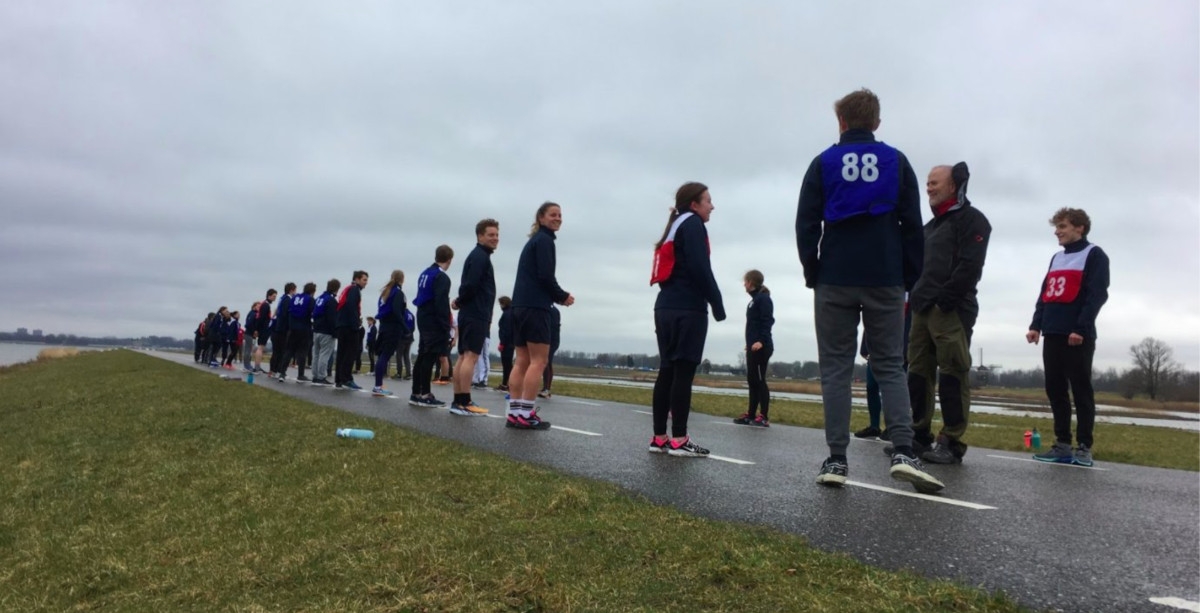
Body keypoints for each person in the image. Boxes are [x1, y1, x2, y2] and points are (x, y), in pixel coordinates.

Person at [795, 88, 943, 493]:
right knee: (891, 365)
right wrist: (908, 276)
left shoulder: (823, 162)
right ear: (877, 122)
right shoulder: (896, 161)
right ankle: (902, 450)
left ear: (840, 122)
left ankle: (837, 458)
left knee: (837, 369)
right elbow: (913, 225)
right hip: (885, 276)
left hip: (835, 276)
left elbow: (806, 223)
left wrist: (814, 272)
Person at [906, 163, 991, 465]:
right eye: (927, 183)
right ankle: (918, 435)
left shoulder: (973, 221)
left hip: (951, 309)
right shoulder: (929, 228)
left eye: (934, 182)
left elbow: (970, 267)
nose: (928, 187)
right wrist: (914, 298)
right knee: (917, 372)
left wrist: (944, 301)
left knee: (953, 372)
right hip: (921, 309)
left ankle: (952, 441)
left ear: (953, 186)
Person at [1028, 208, 1110, 467]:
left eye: (1062, 226)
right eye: (1056, 227)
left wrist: (1081, 328)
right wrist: (1036, 325)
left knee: (1081, 390)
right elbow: (1045, 294)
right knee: (1055, 389)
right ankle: (1062, 444)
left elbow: (1096, 295)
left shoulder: (1094, 255)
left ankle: (1084, 447)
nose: (1057, 231)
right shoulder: (1057, 258)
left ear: (1079, 228)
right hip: (1052, 332)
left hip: (1076, 335)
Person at [648, 183, 725, 456]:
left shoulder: (674, 225)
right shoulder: (693, 225)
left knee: (666, 371)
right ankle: (679, 439)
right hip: (688, 308)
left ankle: (659, 438)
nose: (712, 206)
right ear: (694, 204)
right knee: (683, 373)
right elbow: (700, 266)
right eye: (708, 200)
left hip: (665, 306)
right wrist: (717, 303)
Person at [507, 202, 574, 429]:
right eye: (553, 215)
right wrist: (562, 296)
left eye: (560, 215)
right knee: (539, 361)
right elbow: (545, 276)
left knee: (522, 361)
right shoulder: (544, 241)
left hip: (519, 306)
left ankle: (514, 413)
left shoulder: (533, 241)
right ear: (541, 217)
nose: (558, 218)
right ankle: (525, 414)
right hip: (536, 307)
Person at [451, 219, 499, 416]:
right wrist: (461, 301)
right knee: (470, 357)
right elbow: (471, 285)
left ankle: (459, 401)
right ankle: (464, 401)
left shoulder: (479, 256)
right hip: (475, 313)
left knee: (463, 357)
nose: (495, 239)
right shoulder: (480, 257)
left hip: (470, 313)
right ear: (480, 236)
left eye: (496, 235)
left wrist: (460, 302)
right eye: (491, 235)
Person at [854, 303, 911, 440]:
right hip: (876, 347)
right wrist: (864, 347)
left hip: (898, 351)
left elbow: (910, 325)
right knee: (871, 386)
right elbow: (870, 321)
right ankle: (874, 426)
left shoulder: (909, 299)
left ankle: (892, 428)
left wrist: (906, 350)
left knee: (891, 389)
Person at [410, 246, 454, 407]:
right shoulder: (441, 277)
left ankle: (416, 392)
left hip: (422, 316)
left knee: (422, 354)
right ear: (449, 259)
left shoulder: (425, 273)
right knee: (429, 356)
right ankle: (425, 393)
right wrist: (446, 325)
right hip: (434, 319)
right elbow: (441, 303)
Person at [733, 270, 773, 427]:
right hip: (753, 346)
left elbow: (767, 321)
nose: (744, 284)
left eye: (745, 281)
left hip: (761, 347)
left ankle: (763, 416)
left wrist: (761, 341)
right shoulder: (755, 300)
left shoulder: (763, 299)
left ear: (751, 282)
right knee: (752, 380)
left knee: (760, 380)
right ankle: (750, 414)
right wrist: (750, 342)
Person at [372, 270, 408, 397]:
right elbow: (397, 311)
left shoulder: (385, 292)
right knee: (385, 356)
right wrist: (405, 327)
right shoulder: (398, 293)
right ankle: (378, 386)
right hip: (393, 328)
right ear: (402, 279)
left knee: (382, 356)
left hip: (383, 326)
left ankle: (378, 384)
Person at [335, 271, 368, 390]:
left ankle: (339, 379)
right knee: (351, 352)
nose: (366, 283)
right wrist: (356, 325)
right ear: (357, 279)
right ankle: (347, 378)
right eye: (364, 280)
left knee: (341, 352)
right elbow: (351, 306)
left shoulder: (347, 288)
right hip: (349, 326)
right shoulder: (354, 290)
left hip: (341, 324)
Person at [278, 282, 316, 382]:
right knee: (302, 352)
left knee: (289, 351)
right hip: (304, 328)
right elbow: (313, 313)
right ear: (313, 291)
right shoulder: (310, 299)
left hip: (292, 328)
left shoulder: (295, 298)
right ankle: (300, 375)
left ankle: (282, 372)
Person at [310, 279, 340, 386]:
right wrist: (335, 332)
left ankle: (315, 375)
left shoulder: (319, 298)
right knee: (324, 355)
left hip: (316, 330)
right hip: (326, 332)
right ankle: (321, 376)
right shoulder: (331, 301)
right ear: (337, 288)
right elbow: (332, 319)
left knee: (316, 354)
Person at [269, 283, 296, 376]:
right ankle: (278, 369)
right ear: (291, 290)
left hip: (278, 327)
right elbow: (286, 314)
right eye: (295, 290)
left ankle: (273, 369)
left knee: (277, 351)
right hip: (283, 328)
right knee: (281, 350)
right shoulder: (287, 299)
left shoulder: (282, 298)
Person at [538, 305, 561, 398]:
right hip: (548, 339)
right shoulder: (550, 309)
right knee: (546, 363)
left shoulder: (551, 310)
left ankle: (547, 389)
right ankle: (545, 388)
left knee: (547, 363)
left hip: (551, 340)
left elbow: (551, 326)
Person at [251, 290, 275, 374]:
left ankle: (257, 367)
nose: (274, 298)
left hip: (263, 328)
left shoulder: (264, 304)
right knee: (260, 348)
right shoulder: (265, 305)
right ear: (269, 295)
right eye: (273, 296)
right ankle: (256, 367)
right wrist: (257, 329)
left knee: (260, 347)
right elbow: (261, 318)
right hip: (264, 329)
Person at [496, 296, 514, 392]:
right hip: (511, 342)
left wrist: (502, 343)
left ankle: (506, 383)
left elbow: (506, 330)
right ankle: (507, 383)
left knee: (506, 364)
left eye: (501, 304)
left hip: (507, 343)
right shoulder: (511, 312)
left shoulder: (507, 314)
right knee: (508, 364)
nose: (500, 306)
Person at [242, 302, 260, 372]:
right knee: (248, 350)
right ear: (254, 306)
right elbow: (248, 324)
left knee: (249, 350)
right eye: (258, 306)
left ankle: (247, 364)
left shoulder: (254, 313)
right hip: (249, 334)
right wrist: (254, 331)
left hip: (250, 334)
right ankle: (246, 366)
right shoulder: (253, 313)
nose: (259, 308)